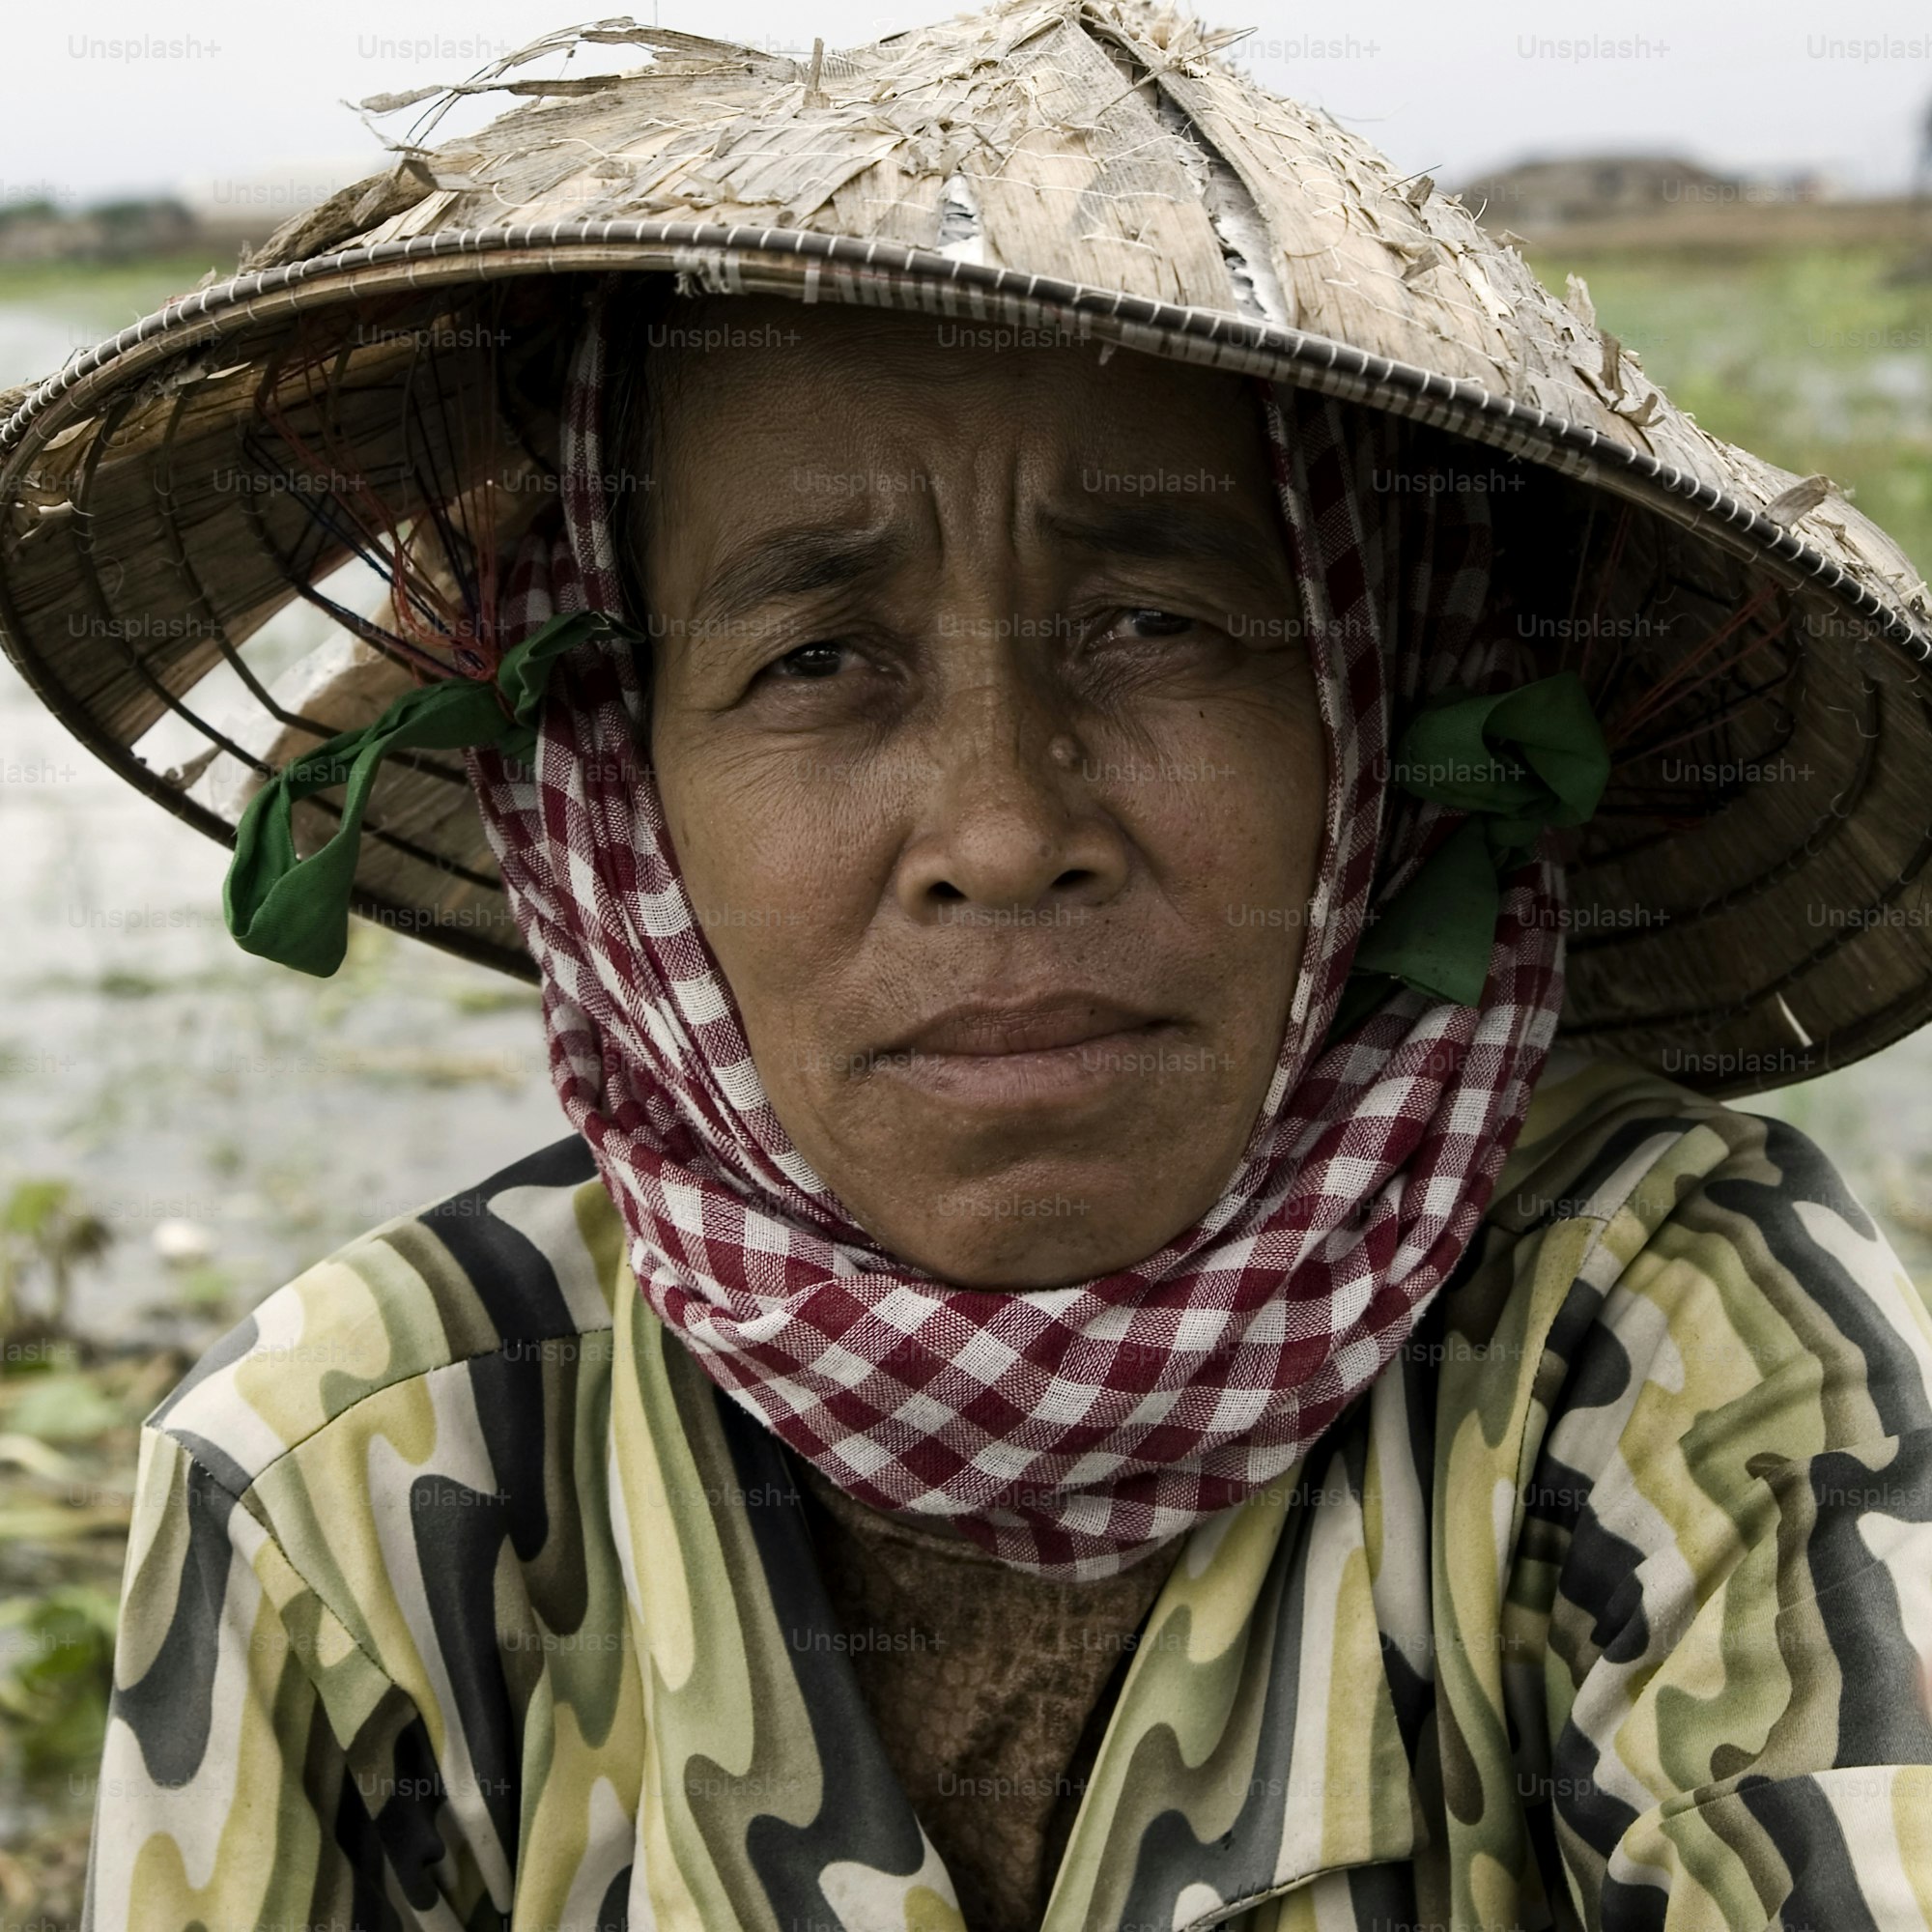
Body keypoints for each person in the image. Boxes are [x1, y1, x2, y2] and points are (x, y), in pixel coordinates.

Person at [4, 4, 1929, 1928]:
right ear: (616, 781)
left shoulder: (1667, 1345)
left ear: (1367, 712)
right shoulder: (350, 1482)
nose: (1007, 833)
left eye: (1157, 621)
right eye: (817, 657)